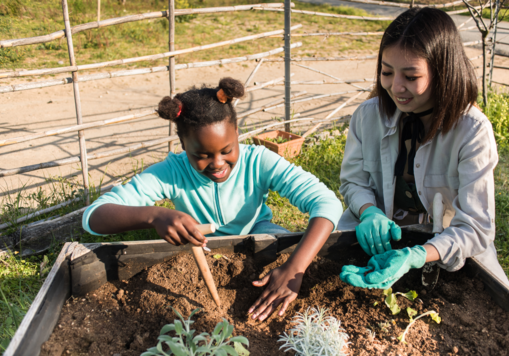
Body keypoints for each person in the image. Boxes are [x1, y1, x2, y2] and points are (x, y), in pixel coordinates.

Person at [82, 77, 343, 320]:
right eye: (202, 155)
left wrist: (294, 269)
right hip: (201, 247)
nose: (218, 164)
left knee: (291, 255)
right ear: (184, 146)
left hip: (257, 232)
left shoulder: (259, 161)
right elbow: (93, 217)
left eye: (227, 150)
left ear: (237, 133)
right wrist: (155, 215)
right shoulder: (172, 172)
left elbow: (327, 203)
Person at [338, 8, 509, 288]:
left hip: (448, 247)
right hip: (377, 242)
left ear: (442, 73)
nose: (395, 87)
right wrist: (369, 211)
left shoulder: (472, 130)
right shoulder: (368, 116)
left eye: (410, 76)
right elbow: (353, 181)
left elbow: (475, 228)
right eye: (386, 72)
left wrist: (418, 255)